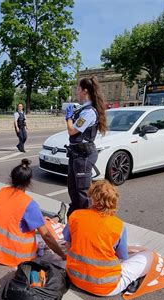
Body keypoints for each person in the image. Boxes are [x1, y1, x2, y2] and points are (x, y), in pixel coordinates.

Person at [64, 180, 153, 296]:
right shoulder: (118, 225)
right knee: (150, 255)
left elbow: (68, 245)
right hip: (106, 286)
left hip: (74, 278)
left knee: (134, 249)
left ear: (92, 198)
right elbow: (122, 257)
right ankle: (133, 280)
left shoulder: (76, 215)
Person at [0, 158, 66, 267]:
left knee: (39, 220)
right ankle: (57, 220)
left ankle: (56, 218)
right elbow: (46, 236)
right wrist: (62, 255)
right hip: (17, 256)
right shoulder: (28, 204)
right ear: (29, 181)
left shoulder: (1, 192)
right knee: (46, 231)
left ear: (12, 178)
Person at [65, 76, 107, 217]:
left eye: (78, 89)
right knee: (72, 187)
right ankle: (76, 214)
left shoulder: (89, 112)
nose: (77, 92)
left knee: (83, 190)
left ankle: (88, 218)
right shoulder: (84, 110)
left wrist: (69, 118)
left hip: (84, 155)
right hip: (76, 154)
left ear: (85, 91)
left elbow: (72, 130)